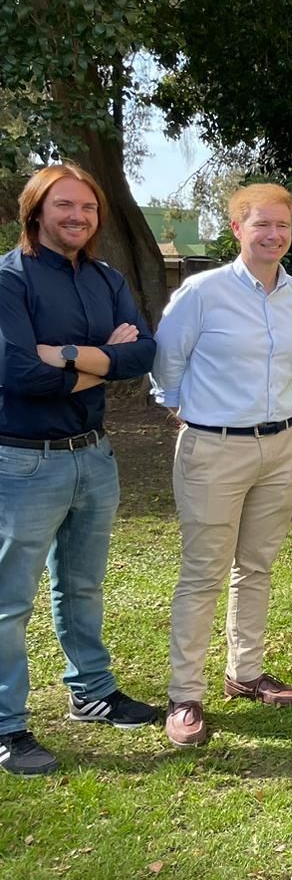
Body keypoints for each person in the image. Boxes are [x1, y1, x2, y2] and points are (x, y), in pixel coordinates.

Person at [0, 163, 161, 775]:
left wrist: (66, 356)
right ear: (36, 211)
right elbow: (19, 373)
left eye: (88, 207)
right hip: (21, 462)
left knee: (82, 585)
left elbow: (142, 354)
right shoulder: (10, 279)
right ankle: (7, 726)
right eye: (64, 205)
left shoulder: (105, 278)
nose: (78, 217)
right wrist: (104, 360)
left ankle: (91, 692)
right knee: (9, 602)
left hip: (93, 456)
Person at [151, 184, 292, 747]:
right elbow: (166, 361)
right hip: (214, 448)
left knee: (257, 566)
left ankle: (245, 672)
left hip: (282, 446)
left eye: (282, 225)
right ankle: (185, 694)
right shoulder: (203, 292)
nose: (274, 235)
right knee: (203, 573)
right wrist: (187, 412)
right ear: (237, 228)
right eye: (261, 224)